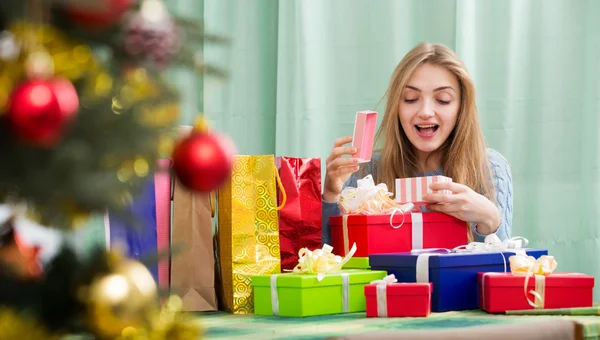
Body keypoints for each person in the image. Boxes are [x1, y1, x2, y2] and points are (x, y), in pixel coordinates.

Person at [322, 42, 513, 245]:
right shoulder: (365, 172)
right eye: (411, 99)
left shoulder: (490, 168)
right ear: (397, 107)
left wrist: (490, 220)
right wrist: (331, 196)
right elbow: (330, 263)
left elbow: (503, 270)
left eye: (443, 99)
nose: (425, 112)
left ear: (461, 109)